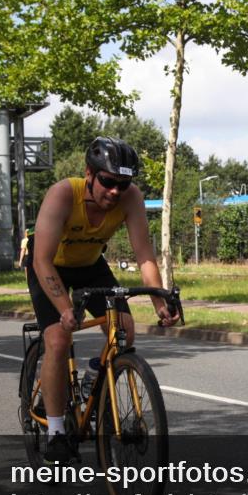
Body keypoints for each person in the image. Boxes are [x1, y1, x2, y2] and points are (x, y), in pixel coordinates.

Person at [28, 136, 179, 464]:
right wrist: (65, 310)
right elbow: (41, 260)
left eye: (123, 185)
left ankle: (95, 378)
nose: (115, 192)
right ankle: (55, 431)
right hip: (48, 264)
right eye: (108, 182)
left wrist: (158, 300)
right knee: (57, 338)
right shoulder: (63, 194)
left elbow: (144, 255)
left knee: (124, 328)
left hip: (90, 266)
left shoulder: (130, 198)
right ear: (90, 174)